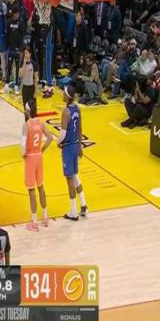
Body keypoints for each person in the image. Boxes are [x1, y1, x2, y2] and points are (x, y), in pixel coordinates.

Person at [21, 100, 53, 231]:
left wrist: (23, 154)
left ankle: (34, 221)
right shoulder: (41, 123)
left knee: (31, 190)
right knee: (41, 187)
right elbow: (50, 138)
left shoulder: (26, 125)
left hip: (30, 158)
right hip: (39, 156)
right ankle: (45, 217)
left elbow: (23, 144)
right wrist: (42, 150)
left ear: (28, 111)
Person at [58, 85, 88, 221]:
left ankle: (74, 211)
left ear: (67, 96)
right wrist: (80, 145)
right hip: (76, 144)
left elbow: (63, 133)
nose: (62, 95)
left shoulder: (66, 112)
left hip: (68, 147)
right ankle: (83, 204)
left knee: (69, 179)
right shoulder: (77, 109)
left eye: (63, 93)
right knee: (75, 176)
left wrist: (58, 142)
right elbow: (80, 129)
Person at [2, 7, 25, 94]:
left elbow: (22, 37)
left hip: (18, 49)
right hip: (10, 48)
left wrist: (21, 49)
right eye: (16, 14)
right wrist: (7, 46)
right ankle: (6, 85)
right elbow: (7, 34)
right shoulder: (9, 22)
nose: (17, 15)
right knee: (9, 67)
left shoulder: (21, 23)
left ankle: (16, 86)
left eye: (18, 14)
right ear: (13, 14)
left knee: (17, 68)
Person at [19, 47, 39, 115]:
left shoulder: (34, 64)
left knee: (33, 108)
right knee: (26, 109)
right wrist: (24, 64)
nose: (25, 55)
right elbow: (20, 75)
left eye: (27, 53)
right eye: (24, 53)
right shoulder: (22, 63)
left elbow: (36, 78)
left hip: (32, 88)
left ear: (30, 54)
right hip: (25, 88)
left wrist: (36, 91)